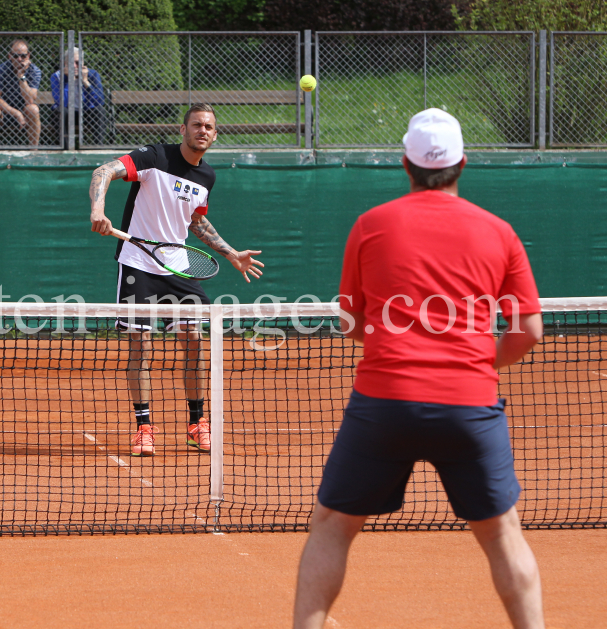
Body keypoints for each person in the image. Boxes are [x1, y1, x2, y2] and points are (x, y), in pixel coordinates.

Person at [293, 108, 546, 629]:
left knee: (332, 527)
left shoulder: (371, 225)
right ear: (462, 164)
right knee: (502, 535)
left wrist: (389, 337)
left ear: (406, 164)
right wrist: (476, 361)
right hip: (470, 404)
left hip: (385, 403)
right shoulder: (499, 231)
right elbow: (529, 331)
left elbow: (349, 323)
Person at [89, 103, 264, 457]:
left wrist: (230, 254)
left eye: (209, 127)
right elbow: (104, 170)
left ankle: (196, 425)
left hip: (179, 266)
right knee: (141, 344)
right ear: (182, 130)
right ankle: (143, 427)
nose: (203, 130)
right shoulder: (154, 157)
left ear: (215, 135)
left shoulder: (207, 177)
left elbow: (196, 221)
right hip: (138, 261)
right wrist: (98, 209)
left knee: (194, 340)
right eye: (196, 124)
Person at [0, 39, 42, 147]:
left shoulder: (34, 70)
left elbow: (30, 99)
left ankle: (34, 152)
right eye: (15, 56)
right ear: (9, 56)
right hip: (4, 112)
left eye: (23, 56)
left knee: (33, 109)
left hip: (25, 113)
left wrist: (21, 77)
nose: (19, 59)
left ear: (28, 56)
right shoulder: (2, 69)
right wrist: (16, 113)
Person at [52, 47, 106, 147]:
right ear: (65, 63)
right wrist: (69, 80)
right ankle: (65, 148)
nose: (74, 66)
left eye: (77, 62)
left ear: (82, 62)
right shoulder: (57, 76)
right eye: (71, 63)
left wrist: (86, 82)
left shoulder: (92, 74)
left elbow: (100, 100)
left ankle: (98, 147)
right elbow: (61, 101)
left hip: (86, 112)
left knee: (100, 111)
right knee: (60, 111)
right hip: (68, 113)